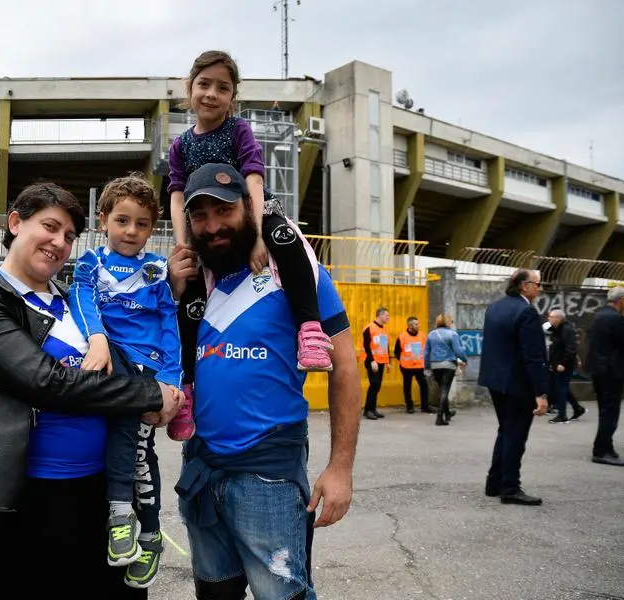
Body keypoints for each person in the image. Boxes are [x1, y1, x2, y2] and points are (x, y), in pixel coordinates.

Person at [0, 183, 182, 598]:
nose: (60, 242)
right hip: (33, 501)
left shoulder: (72, 298)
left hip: (102, 490)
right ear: (16, 223)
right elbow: (47, 383)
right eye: (50, 227)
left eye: (70, 236)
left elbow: (142, 330)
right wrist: (149, 396)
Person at [168, 163, 361, 599]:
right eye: (200, 215)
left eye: (224, 210)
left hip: (268, 476)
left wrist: (340, 467)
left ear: (249, 209)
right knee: (215, 592)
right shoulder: (195, 284)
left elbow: (345, 368)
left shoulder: (295, 277)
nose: (213, 226)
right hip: (201, 468)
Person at [166, 50, 334, 441]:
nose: (211, 94)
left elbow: (254, 180)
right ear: (190, 87)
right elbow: (176, 196)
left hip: (254, 214)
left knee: (286, 238)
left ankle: (309, 327)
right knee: (190, 293)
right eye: (204, 84)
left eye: (222, 88)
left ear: (233, 96)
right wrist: (181, 244)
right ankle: (187, 387)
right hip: (206, 224)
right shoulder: (181, 146)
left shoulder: (238, 130)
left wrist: (259, 234)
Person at [69, 174, 181, 588]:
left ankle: (147, 536)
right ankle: (121, 516)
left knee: (137, 449)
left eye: (142, 224)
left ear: (153, 228)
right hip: (111, 359)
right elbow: (80, 299)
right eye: (122, 220)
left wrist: (171, 379)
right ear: (103, 221)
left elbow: (169, 323)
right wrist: (97, 339)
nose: (131, 231)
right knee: (119, 436)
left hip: (149, 371)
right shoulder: (91, 263)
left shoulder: (156, 271)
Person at [478, 269, 549, 506]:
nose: (539, 288)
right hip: (517, 384)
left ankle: (494, 482)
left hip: (496, 380)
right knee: (515, 434)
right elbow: (533, 355)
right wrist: (540, 393)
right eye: (536, 284)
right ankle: (510, 487)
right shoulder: (526, 311)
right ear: (523, 286)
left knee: (506, 430)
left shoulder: (495, 307)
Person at [585, 286, 624, 466]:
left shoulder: (599, 315)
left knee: (604, 409)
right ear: (621, 300)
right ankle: (601, 450)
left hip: (598, 370)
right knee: (610, 412)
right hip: (611, 371)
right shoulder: (616, 319)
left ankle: (607, 447)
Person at [424, 314, 468, 426]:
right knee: (445, 390)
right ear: (448, 322)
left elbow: (426, 352)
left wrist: (427, 366)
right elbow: (458, 351)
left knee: (442, 389)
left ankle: (447, 413)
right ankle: (439, 416)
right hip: (448, 365)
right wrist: (464, 359)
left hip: (435, 365)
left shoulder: (431, 334)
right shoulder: (452, 334)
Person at [545, 309, 585, 424]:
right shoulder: (556, 328)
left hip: (563, 365)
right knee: (562, 389)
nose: (548, 319)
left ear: (558, 318)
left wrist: (563, 363)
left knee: (561, 389)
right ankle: (578, 408)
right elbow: (542, 330)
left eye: (551, 317)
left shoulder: (567, 329)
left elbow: (571, 349)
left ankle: (562, 415)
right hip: (555, 364)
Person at [394, 316, 434, 414]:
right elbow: (397, 351)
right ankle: (409, 406)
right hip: (406, 366)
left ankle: (425, 406)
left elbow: (426, 350)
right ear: (409, 325)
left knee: (424, 385)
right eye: (416, 324)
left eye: (418, 323)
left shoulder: (422, 335)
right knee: (407, 386)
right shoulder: (402, 336)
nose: (418, 325)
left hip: (419, 366)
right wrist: (404, 360)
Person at [362, 307, 390, 420]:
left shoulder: (384, 330)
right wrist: (372, 360)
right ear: (380, 315)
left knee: (377, 386)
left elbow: (385, 347)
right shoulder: (369, 328)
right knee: (374, 384)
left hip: (382, 361)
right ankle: (368, 410)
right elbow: (367, 345)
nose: (388, 318)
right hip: (372, 361)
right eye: (387, 315)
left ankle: (372, 409)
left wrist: (388, 362)